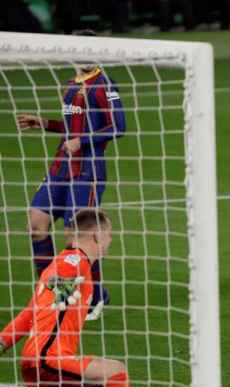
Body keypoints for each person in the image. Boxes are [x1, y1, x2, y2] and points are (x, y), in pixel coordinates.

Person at [0, 210, 186, 387]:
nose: (110, 241)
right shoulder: (72, 264)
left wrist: (3, 341)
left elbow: (31, 312)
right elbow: (41, 308)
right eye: (109, 235)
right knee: (116, 371)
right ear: (97, 234)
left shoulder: (70, 265)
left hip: (40, 363)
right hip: (48, 360)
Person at [16, 43, 125, 321]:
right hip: (60, 166)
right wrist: (43, 123)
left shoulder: (105, 84)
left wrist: (83, 141)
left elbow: (118, 127)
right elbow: (71, 128)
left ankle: (96, 297)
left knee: (80, 234)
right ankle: (56, 293)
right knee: (36, 225)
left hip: (87, 170)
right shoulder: (71, 84)